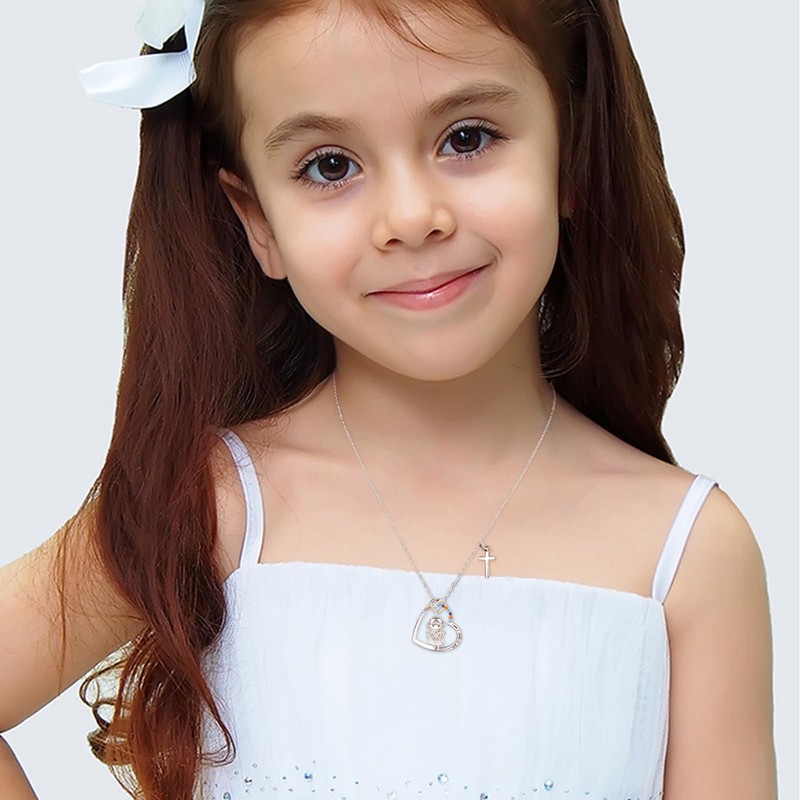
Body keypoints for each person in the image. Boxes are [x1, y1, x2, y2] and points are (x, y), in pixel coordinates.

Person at [0, 0, 778, 798]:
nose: (410, 219)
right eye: (330, 166)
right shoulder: (210, 501)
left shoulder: (688, 553)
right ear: (257, 219)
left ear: (574, 154)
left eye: (466, 138)